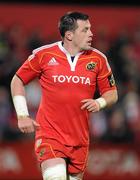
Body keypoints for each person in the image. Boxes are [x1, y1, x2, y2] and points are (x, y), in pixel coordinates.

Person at [10, 12, 118, 180]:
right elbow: (17, 80)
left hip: (80, 139)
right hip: (50, 134)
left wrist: (100, 102)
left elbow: (112, 93)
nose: (91, 34)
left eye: (90, 29)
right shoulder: (44, 55)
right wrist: (22, 115)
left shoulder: (98, 59)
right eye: (85, 30)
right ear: (69, 35)